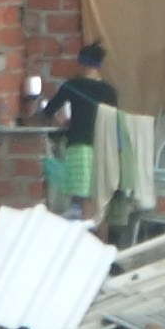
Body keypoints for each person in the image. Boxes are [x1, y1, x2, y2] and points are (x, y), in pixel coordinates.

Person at [35, 44, 117, 216]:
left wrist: (63, 121)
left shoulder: (73, 85)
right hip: (103, 149)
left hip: (79, 146)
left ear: (81, 63)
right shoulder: (110, 92)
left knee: (80, 197)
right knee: (97, 197)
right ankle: (98, 237)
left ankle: (81, 233)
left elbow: (48, 111)